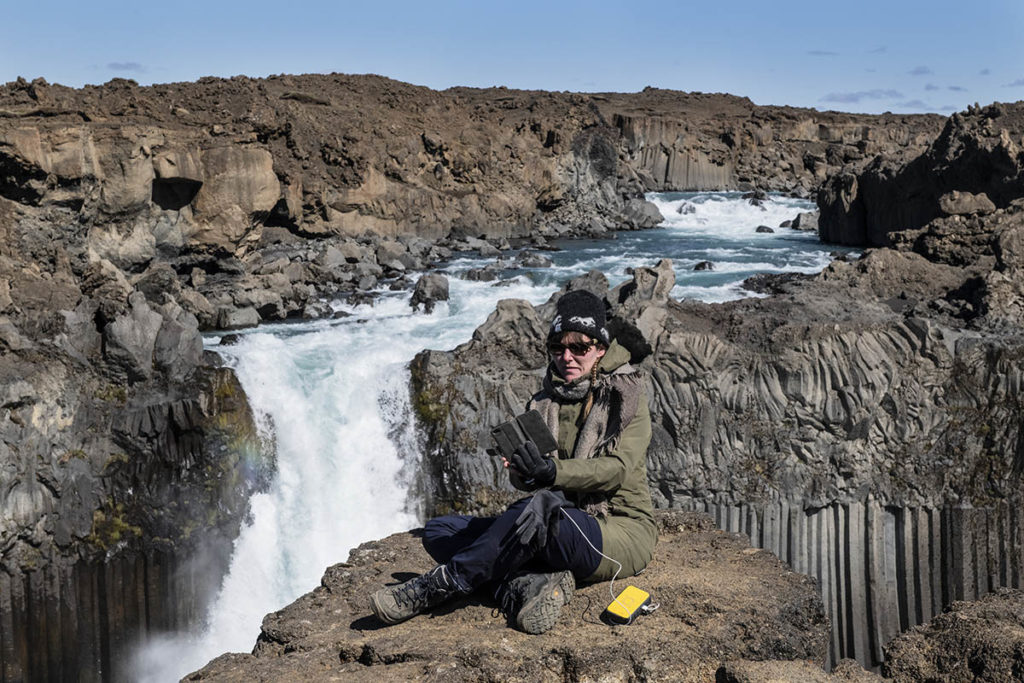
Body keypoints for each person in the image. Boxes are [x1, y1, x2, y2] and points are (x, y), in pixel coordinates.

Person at [370, 289, 657, 633]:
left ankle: (438, 587)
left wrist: (550, 473)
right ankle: (521, 584)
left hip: (616, 528)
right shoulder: (543, 401)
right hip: (555, 516)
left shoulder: (625, 395)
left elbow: (616, 471)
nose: (567, 357)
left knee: (530, 514)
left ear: (600, 349)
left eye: (579, 347)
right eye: (558, 347)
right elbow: (533, 481)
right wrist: (525, 473)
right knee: (438, 531)